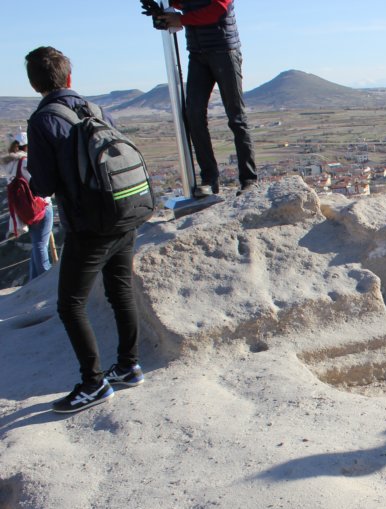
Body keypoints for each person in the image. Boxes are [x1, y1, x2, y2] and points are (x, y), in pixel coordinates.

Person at [25, 46, 145, 414]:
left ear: (34, 84)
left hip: (89, 224)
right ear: (70, 77)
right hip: (124, 212)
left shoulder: (43, 119)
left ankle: (93, 383)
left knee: (71, 303)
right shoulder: (94, 109)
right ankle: (128, 366)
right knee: (120, 291)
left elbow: (43, 185)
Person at [156, 0, 258, 197]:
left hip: (224, 50)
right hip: (197, 53)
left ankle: (249, 180)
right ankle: (210, 179)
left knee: (236, 118)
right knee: (193, 114)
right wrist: (162, 13)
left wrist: (181, 19)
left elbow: (218, 8)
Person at [3, 132, 54, 279]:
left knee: (37, 243)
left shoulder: (10, 165)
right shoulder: (26, 162)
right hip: (40, 206)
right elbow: (40, 182)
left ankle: (34, 280)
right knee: (40, 244)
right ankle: (45, 275)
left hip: (26, 210)